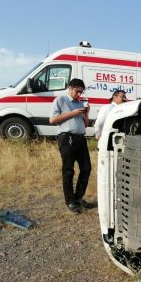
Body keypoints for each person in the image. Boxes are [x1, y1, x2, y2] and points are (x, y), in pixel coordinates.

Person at [49, 78, 93, 214]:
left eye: (81, 92)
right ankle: (70, 201)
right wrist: (72, 113)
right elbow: (52, 120)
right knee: (68, 171)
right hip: (66, 138)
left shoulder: (80, 103)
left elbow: (85, 124)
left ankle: (78, 197)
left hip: (80, 138)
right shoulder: (61, 100)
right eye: (76, 91)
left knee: (86, 168)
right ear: (70, 88)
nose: (79, 94)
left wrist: (86, 114)